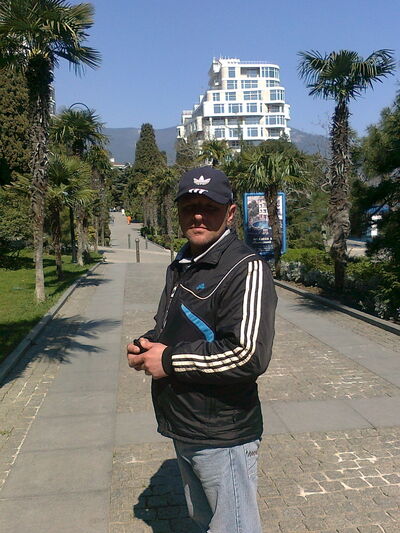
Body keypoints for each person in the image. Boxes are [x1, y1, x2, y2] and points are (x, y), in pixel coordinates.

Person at [127, 166, 277, 533]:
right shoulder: (183, 263)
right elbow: (175, 327)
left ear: (230, 213)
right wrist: (149, 344)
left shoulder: (246, 268)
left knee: (233, 527)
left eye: (209, 207)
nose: (198, 216)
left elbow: (247, 354)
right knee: (205, 521)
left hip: (222, 432)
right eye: (189, 207)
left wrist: (168, 359)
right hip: (186, 422)